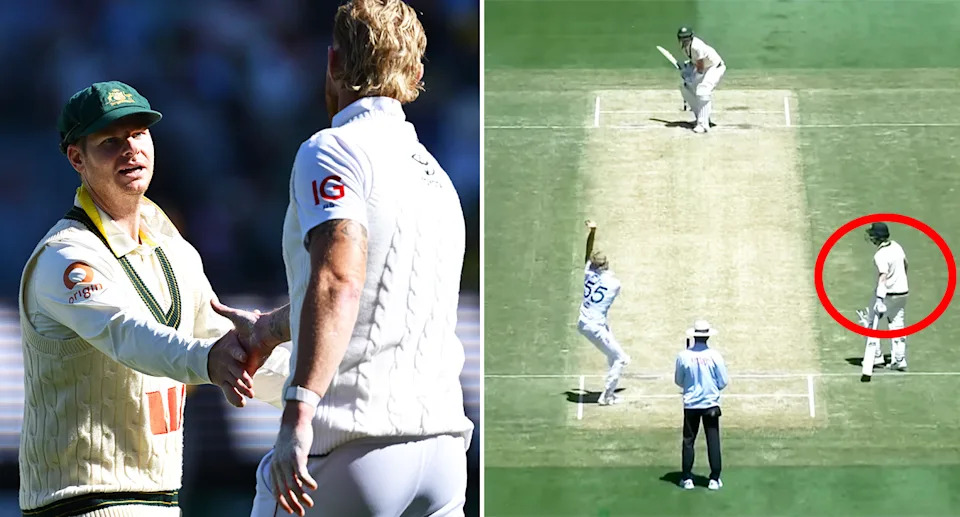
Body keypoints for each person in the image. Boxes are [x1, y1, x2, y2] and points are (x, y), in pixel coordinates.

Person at [213, 1, 474, 515]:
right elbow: (372, 294)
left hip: (354, 444)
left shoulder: (332, 150)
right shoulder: (437, 176)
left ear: (332, 62)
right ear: (416, 76)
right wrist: (270, 329)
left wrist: (297, 414)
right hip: (444, 455)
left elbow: (339, 281)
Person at [18, 80, 291, 516]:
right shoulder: (65, 256)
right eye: (110, 142)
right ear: (76, 158)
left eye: (139, 133)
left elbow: (227, 348)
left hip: (161, 500)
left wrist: (318, 392)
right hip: (81, 504)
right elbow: (127, 334)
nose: (131, 150)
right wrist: (209, 359)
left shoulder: (173, 250)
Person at [577, 220, 630, 406]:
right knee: (621, 359)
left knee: (611, 355)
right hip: (595, 326)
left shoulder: (588, 273)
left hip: (585, 321)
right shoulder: (614, 284)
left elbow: (587, 255)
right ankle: (606, 396)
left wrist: (592, 232)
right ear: (605, 265)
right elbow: (591, 260)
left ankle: (610, 391)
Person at [674, 320, 729, 490]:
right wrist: (711, 389)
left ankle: (687, 478)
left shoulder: (683, 356)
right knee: (713, 441)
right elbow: (723, 381)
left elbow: (679, 380)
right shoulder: (715, 356)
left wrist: (690, 386)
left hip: (691, 405)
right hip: (710, 404)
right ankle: (714, 479)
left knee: (688, 441)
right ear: (707, 336)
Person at [857, 222, 910, 372]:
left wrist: (880, 299)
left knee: (870, 321)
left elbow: (883, 276)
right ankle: (899, 359)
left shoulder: (880, 255)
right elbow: (906, 264)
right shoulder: (897, 246)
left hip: (887, 294)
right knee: (897, 324)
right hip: (902, 292)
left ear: (876, 237)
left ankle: (875, 356)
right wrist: (901, 280)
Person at [677, 26, 726, 134]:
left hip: (715, 67)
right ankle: (701, 117)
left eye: (687, 38)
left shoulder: (697, 46)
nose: (685, 41)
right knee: (684, 87)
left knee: (703, 90)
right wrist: (686, 68)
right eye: (683, 38)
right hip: (704, 67)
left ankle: (703, 125)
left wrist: (692, 78)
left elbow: (700, 69)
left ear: (691, 37)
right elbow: (694, 62)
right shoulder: (684, 47)